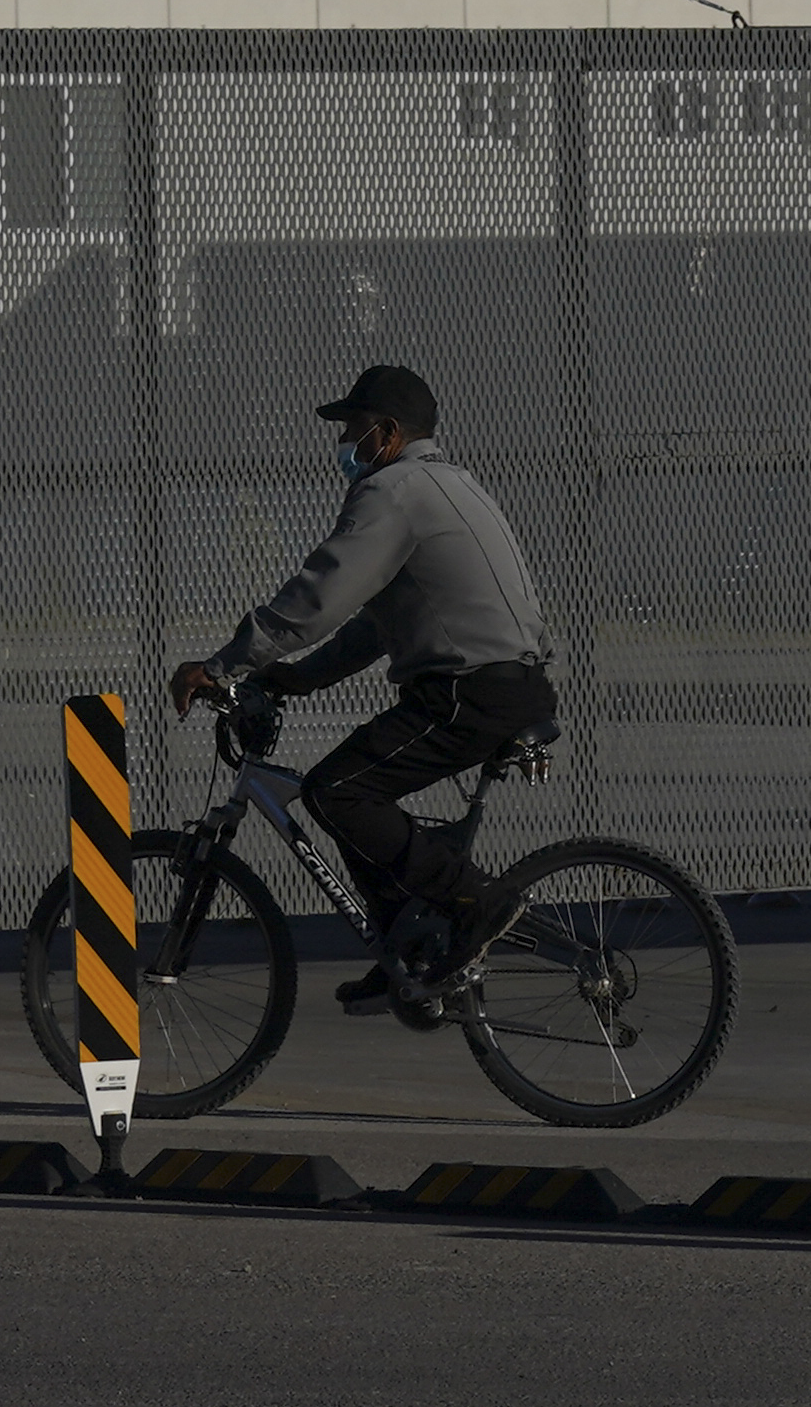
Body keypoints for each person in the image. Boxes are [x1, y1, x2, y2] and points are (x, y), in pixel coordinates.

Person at [169, 364, 557, 1015]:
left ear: (386, 433)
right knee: (356, 798)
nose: (342, 443)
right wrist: (294, 677)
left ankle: (481, 903)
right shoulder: (449, 485)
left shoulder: (395, 491)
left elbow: (319, 598)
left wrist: (224, 664)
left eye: (350, 428)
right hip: (504, 685)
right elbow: (375, 625)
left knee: (337, 791)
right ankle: (407, 947)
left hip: (469, 692)